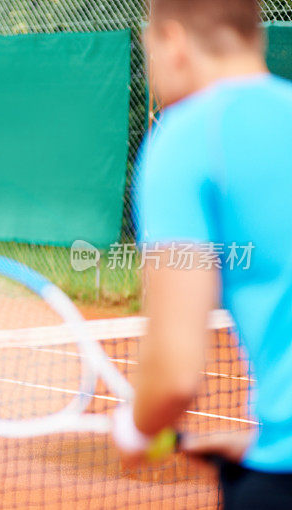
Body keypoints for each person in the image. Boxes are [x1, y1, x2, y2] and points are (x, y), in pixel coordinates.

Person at [112, 0, 292, 507]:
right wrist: (266, 441)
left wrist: (136, 429)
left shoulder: (188, 139)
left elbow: (173, 374)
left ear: (172, 42)